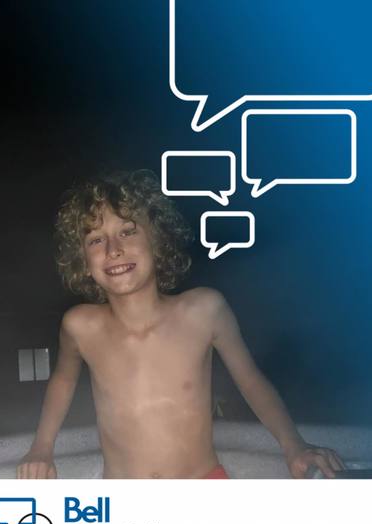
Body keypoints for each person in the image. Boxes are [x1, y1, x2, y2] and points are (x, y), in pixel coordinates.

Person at [17, 170, 345, 479]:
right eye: (96, 240)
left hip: (203, 486)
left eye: (127, 231)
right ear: (83, 260)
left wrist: (293, 445)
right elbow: (62, 383)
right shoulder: (80, 326)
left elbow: (250, 380)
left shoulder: (204, 311)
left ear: (157, 239)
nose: (114, 250)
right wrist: (41, 448)